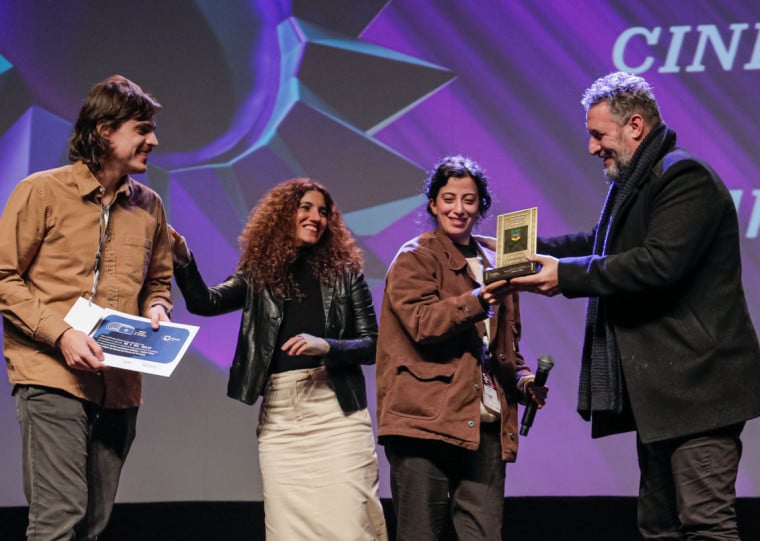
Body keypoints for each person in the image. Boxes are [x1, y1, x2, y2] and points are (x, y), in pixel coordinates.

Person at [511, 71, 760, 539]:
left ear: (636, 126)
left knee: (705, 526)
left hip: (701, 390)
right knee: (659, 528)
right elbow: (601, 243)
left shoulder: (684, 177)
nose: (591, 147)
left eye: (598, 134)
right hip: (667, 395)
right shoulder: (639, 184)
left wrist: (563, 276)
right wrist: (527, 254)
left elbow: (655, 264)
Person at [0, 75, 173, 540]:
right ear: (104, 131)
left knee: (92, 525)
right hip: (51, 372)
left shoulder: (150, 207)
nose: (153, 141)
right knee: (59, 520)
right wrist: (61, 333)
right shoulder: (41, 192)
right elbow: (3, 276)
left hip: (118, 381)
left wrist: (158, 309)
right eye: (141, 129)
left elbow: (158, 282)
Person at [169, 178, 387, 540]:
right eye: (305, 208)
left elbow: (372, 344)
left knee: (350, 524)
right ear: (284, 215)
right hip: (282, 417)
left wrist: (328, 346)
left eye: (323, 212)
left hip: (337, 412)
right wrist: (184, 259)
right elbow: (204, 302)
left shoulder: (347, 276)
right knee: (289, 530)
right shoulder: (259, 274)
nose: (315, 217)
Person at [375, 155, 547, 541]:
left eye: (469, 200)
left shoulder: (498, 259)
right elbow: (423, 324)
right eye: (449, 198)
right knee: (420, 534)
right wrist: (478, 299)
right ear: (433, 204)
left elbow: (504, 347)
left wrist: (523, 380)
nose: (459, 208)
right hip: (424, 423)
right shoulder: (415, 257)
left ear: (481, 206)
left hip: (483, 422)